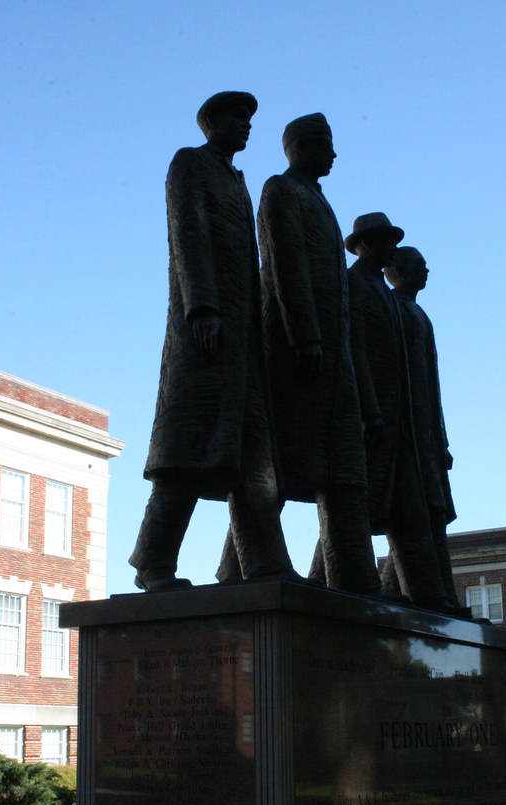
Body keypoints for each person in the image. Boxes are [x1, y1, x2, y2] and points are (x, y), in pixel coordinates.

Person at [129, 91, 296, 591]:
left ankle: (264, 563)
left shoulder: (237, 183)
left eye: (250, 120)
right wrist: (201, 307)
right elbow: (187, 233)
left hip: (242, 347)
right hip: (203, 336)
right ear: (212, 124)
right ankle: (153, 563)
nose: (246, 126)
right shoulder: (190, 164)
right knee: (184, 454)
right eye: (237, 118)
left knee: (255, 463)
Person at [217, 113, 381, 595]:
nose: (334, 154)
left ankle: (354, 577)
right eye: (327, 144)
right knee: (279, 468)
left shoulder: (321, 201)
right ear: (303, 146)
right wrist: (305, 336)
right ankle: (242, 563)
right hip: (295, 351)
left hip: (332, 360)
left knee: (344, 471)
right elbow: (283, 263)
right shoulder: (279, 190)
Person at [343, 213, 449, 610]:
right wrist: (370, 409)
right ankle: (329, 577)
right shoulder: (356, 285)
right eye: (387, 243)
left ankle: (423, 593)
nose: (392, 251)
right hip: (376, 419)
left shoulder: (400, 306)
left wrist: (438, 437)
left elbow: (424, 382)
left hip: (405, 423)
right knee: (359, 504)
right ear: (370, 245)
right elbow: (357, 352)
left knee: (405, 509)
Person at [383, 246, 462, 609]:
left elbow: (434, 387)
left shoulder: (419, 314)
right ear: (396, 269)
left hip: (427, 433)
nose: (426, 269)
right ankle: (430, 593)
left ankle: (409, 591)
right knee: (412, 512)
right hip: (404, 429)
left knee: (434, 512)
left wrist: (441, 440)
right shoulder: (393, 308)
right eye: (418, 264)